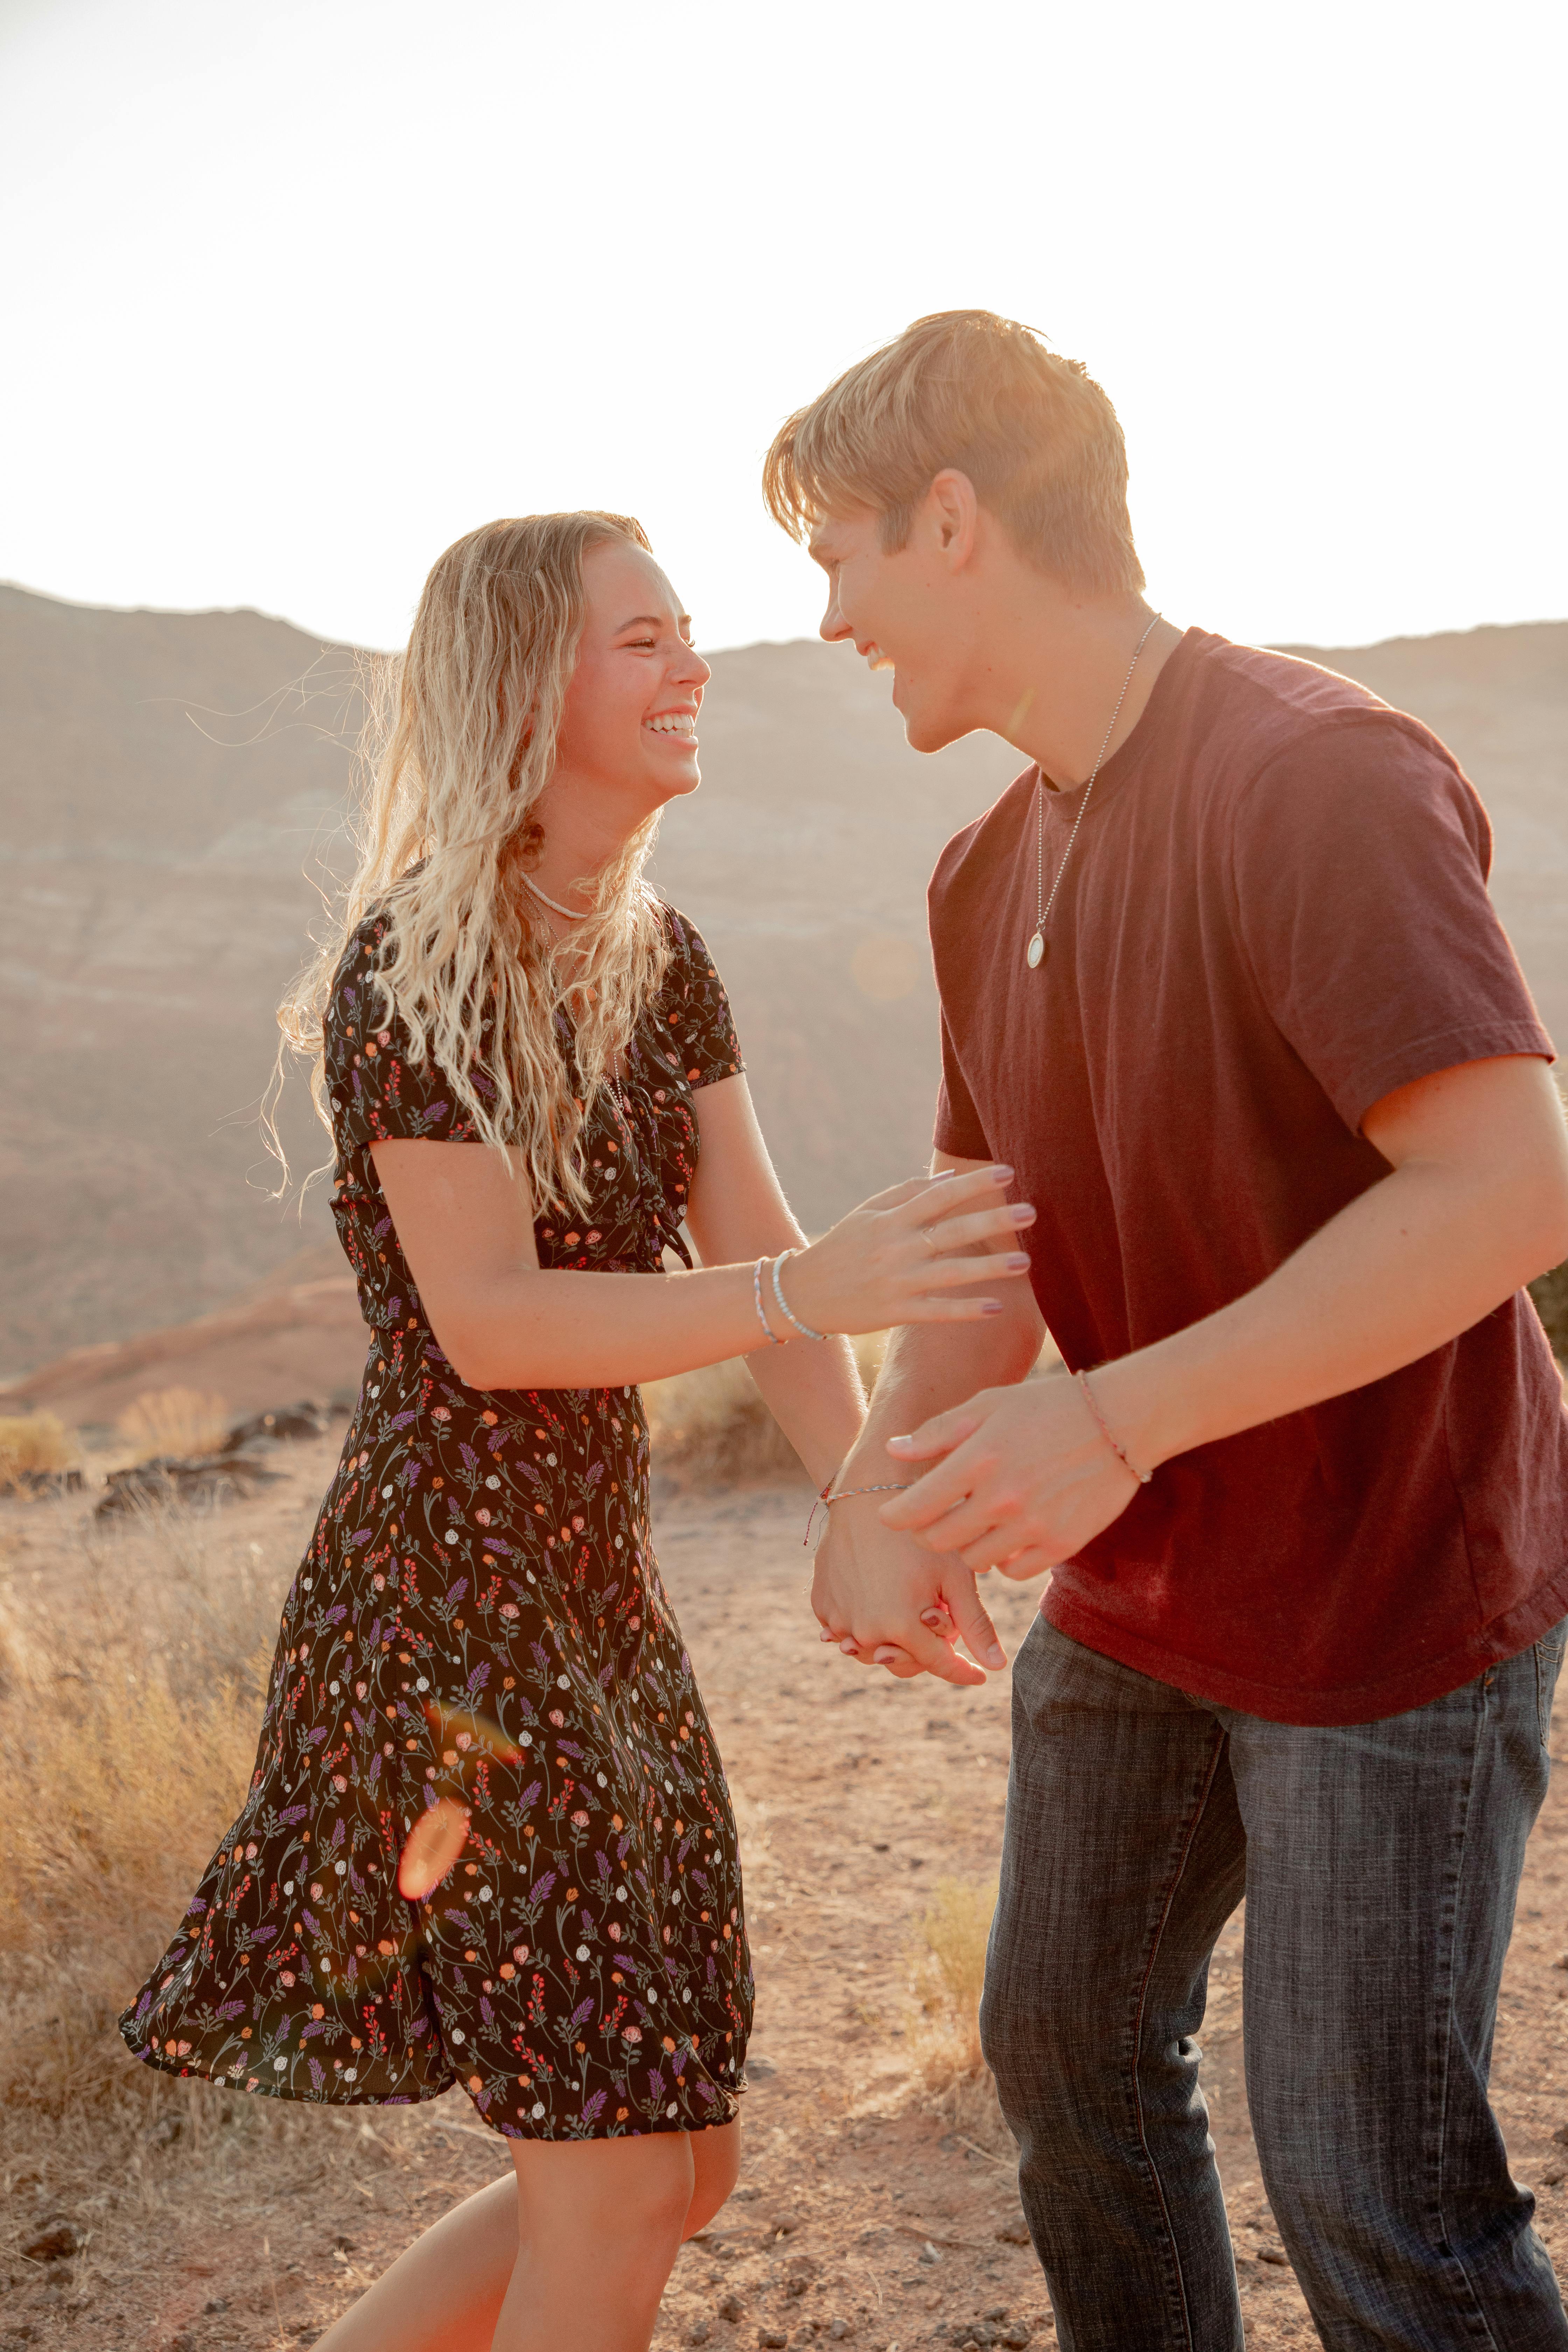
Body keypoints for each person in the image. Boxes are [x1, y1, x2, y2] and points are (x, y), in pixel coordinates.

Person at [118, 510, 1035, 2352]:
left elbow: (767, 1252)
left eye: (688, 631)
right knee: (614, 2185)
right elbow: (498, 1323)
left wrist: (873, 1504)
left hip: (597, 1608)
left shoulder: (662, 957)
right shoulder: (413, 969)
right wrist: (812, 1296)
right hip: (451, 1612)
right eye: (645, 639)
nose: (694, 665)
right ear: (529, 681)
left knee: (672, 2167)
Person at [768, 312, 1568, 2350]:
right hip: (1143, 1598)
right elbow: (989, 1245)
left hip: (1389, 1593)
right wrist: (887, 1492)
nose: (830, 610)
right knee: (1070, 2057)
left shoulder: (1317, 780)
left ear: (955, 519)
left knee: (1367, 2187)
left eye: (841, 549)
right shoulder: (977, 873)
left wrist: (1116, 1419)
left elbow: (1509, 1190)